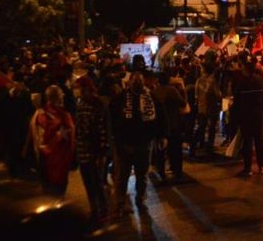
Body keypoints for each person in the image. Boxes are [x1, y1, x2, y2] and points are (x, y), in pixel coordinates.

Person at [109, 72, 167, 213]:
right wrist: (116, 139)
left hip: (144, 144)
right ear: (129, 82)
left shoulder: (151, 97)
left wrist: (162, 136)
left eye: (139, 81)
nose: (137, 84)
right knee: (122, 176)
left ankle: (140, 200)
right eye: (135, 81)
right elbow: (113, 119)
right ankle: (121, 203)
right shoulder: (121, 98)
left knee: (142, 175)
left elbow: (161, 116)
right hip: (125, 144)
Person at [74, 76, 110, 223]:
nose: (76, 90)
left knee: (97, 182)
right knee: (89, 183)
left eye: (78, 87)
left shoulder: (96, 104)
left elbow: (102, 129)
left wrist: (101, 153)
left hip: (94, 151)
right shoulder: (80, 104)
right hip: (83, 150)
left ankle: (103, 210)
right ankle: (95, 210)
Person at [31, 85, 75, 196]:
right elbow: (71, 135)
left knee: (47, 186)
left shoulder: (39, 114)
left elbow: (34, 132)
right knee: (58, 188)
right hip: (61, 158)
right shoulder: (64, 116)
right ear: (58, 97)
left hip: (43, 155)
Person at [231, 57, 263, 176]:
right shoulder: (259, 80)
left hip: (246, 115)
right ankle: (261, 166)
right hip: (258, 114)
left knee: (247, 142)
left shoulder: (241, 82)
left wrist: (235, 116)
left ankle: (248, 168)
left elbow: (236, 100)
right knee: (259, 141)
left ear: (245, 70)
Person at [152, 72, 188, 183]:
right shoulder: (172, 91)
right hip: (173, 123)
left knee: (160, 150)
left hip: (159, 125)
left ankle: (161, 172)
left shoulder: (155, 92)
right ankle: (177, 171)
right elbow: (183, 103)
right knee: (175, 149)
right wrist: (183, 91)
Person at [192, 62, 221, 157]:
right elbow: (218, 94)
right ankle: (209, 149)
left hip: (201, 107)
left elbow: (196, 95)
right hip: (211, 108)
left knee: (201, 127)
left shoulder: (199, 80)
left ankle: (193, 146)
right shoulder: (213, 81)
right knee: (211, 128)